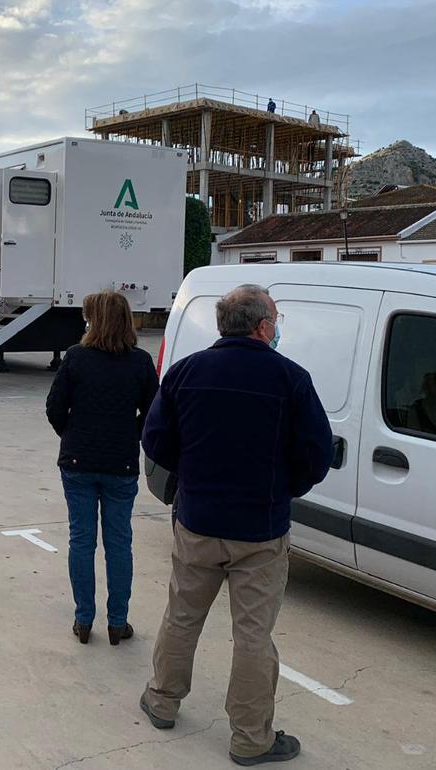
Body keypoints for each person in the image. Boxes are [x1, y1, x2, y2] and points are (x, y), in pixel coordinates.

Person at [138, 284, 332, 767]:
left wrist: (192, 479)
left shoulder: (186, 372)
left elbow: (156, 441)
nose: (278, 325)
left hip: (198, 521)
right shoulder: (290, 379)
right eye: (276, 318)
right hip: (260, 529)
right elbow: (316, 454)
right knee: (252, 635)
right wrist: (282, 489)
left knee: (182, 616)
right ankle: (250, 738)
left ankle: (162, 700)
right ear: (264, 326)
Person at [46, 291, 158, 646]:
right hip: (120, 463)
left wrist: (74, 433)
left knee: (81, 540)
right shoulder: (139, 362)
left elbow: (54, 408)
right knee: (119, 543)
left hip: (78, 461)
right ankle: (117, 622)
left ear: (95, 320)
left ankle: (83, 619)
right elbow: (155, 412)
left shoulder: (77, 358)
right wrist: (131, 433)